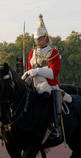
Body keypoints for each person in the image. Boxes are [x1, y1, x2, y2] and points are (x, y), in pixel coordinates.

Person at [24, 14, 63, 143]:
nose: (37, 40)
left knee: (49, 93)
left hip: (49, 83)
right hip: (34, 82)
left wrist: (37, 71)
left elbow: (54, 72)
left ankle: (55, 126)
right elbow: (29, 68)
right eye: (36, 38)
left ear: (46, 38)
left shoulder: (53, 52)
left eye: (40, 38)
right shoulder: (32, 53)